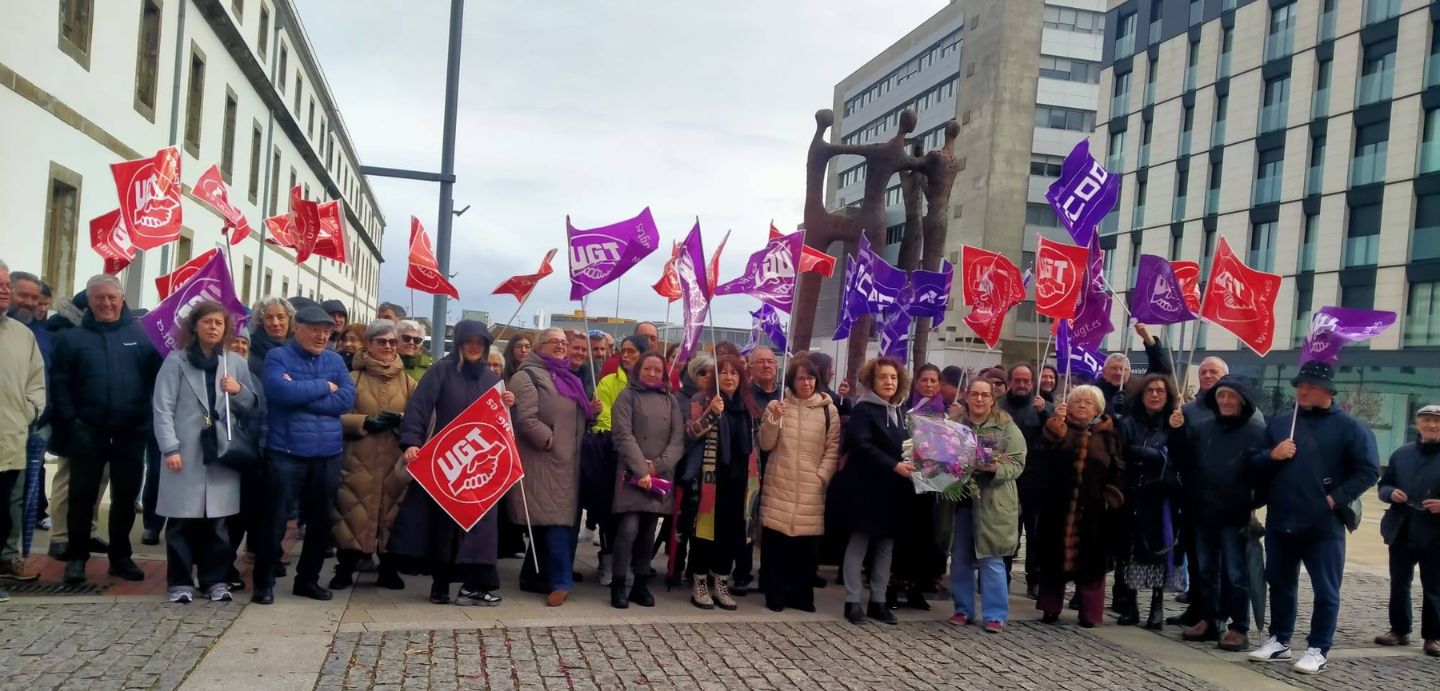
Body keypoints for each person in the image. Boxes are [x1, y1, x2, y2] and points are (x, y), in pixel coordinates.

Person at [1247, 362, 1379, 674]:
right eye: (1300, 385)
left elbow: (1369, 470)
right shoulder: (1281, 423)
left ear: (1328, 391)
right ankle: (1279, 640)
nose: (1303, 390)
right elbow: (1254, 462)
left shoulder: (1351, 428)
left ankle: (1319, 647)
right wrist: (1271, 455)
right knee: (1279, 583)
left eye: (1310, 386)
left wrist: (1336, 498)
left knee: (1325, 589)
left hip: (1323, 525)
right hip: (1281, 520)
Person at [390, 321, 513, 606]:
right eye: (468, 341)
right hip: (446, 463)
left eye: (479, 342)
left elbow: (502, 426)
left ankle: (476, 584)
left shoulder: (491, 379)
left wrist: (508, 403)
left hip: (480, 465)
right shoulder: (440, 371)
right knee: (443, 526)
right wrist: (411, 442)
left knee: (480, 527)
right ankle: (440, 584)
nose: (474, 346)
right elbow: (418, 408)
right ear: (459, 343)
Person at [54, 275, 162, 584]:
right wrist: (71, 420)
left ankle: (120, 557)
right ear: (89, 301)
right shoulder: (72, 338)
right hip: (87, 430)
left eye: (112, 297)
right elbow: (60, 383)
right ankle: (76, 557)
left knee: (125, 499)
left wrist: (147, 417)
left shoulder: (142, 336)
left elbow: (158, 379)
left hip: (131, 432)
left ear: (122, 298)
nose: (106, 303)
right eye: (99, 298)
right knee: (82, 498)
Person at [152, 301, 257, 603]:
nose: (213, 327)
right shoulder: (176, 360)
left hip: (223, 451)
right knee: (182, 521)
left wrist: (237, 390)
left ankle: (215, 580)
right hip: (186, 451)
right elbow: (163, 408)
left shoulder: (234, 362)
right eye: (207, 321)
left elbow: (252, 405)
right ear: (195, 326)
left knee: (218, 525)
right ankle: (180, 583)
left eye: (219, 323)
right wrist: (169, 447)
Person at [254, 304, 356, 604]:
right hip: (285, 451)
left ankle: (307, 580)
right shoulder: (278, 357)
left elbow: (346, 400)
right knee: (275, 520)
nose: (321, 336)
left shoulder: (335, 360)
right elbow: (278, 393)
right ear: (297, 329)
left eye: (326, 331)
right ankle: (264, 583)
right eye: (315, 330)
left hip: (327, 453)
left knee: (321, 522)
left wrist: (301, 394)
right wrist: (324, 386)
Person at [1178, 376, 1265, 651]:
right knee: (1205, 571)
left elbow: (1266, 473)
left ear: (1243, 399)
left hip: (1235, 516)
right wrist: (1176, 431)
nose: (1225, 401)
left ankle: (1239, 627)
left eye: (1230, 396)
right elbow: (1185, 462)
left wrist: (1253, 503)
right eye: (1220, 397)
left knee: (1236, 574)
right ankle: (1210, 619)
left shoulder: (1258, 431)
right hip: (1203, 512)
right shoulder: (1203, 427)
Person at [328, 320, 412, 592]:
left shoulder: (409, 383)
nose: (388, 347)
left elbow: (421, 420)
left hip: (393, 461)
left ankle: (389, 568)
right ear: (369, 345)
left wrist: (400, 419)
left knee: (392, 514)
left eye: (391, 342)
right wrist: (363, 421)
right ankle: (345, 568)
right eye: (381, 341)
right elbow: (334, 416)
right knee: (351, 516)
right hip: (357, 460)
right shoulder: (352, 379)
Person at [508, 328, 589, 607]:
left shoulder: (565, 376)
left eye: (564, 343)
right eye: (555, 342)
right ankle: (560, 581)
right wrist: (551, 441)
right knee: (555, 523)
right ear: (540, 345)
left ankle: (533, 577)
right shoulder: (526, 376)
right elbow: (525, 419)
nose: (561, 346)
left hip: (568, 462)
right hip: (545, 461)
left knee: (555, 521)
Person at [1033, 385, 1124, 627]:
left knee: (1092, 564)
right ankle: (1050, 608)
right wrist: (1054, 430)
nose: (1082, 405)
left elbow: (1118, 468)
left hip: (1095, 510)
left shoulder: (1109, 433)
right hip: (1058, 506)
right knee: (1053, 561)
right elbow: (1041, 457)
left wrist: (1111, 496)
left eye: (1088, 402)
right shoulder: (1058, 427)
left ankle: (1090, 613)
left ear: (1098, 408)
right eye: (1077, 401)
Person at [758, 355, 840, 612]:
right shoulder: (778, 405)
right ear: (791, 380)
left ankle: (801, 595)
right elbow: (765, 444)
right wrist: (773, 418)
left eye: (811, 377)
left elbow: (833, 447)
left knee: (805, 548)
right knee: (777, 544)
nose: (806, 382)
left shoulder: (829, 409)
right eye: (801, 378)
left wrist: (821, 476)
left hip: (810, 486)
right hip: (780, 482)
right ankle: (775, 593)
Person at [838, 357, 912, 625]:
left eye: (893, 377)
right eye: (883, 377)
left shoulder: (902, 412)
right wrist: (893, 466)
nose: (889, 382)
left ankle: (878, 601)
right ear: (872, 380)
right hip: (865, 488)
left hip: (894, 490)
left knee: (885, 547)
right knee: (859, 544)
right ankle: (852, 601)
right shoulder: (863, 409)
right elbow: (861, 445)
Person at [607, 351, 684, 609]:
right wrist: (641, 469)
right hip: (631, 474)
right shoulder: (627, 396)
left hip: (659, 475)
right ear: (638, 370)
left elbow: (677, 440)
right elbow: (622, 434)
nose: (652, 373)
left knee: (649, 532)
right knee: (628, 530)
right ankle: (619, 584)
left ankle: (640, 584)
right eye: (647, 368)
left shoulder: (671, 401)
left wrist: (657, 466)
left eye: (657, 369)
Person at [680, 354, 756, 610]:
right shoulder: (701, 400)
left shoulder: (747, 405)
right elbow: (691, 432)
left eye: (734, 372)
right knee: (705, 532)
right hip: (711, 477)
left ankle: (720, 581)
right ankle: (699, 582)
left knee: (731, 533)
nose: (729, 377)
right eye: (723, 372)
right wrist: (712, 413)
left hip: (740, 479)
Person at [951, 377, 1026, 632]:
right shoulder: (956, 424)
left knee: (991, 558)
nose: (979, 399)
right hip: (961, 499)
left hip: (993, 500)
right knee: (960, 557)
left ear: (993, 399)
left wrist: (994, 466)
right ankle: (963, 609)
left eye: (985, 395)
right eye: (974, 394)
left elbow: (1017, 463)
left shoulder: (1007, 427)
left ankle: (995, 614)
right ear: (967, 396)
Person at [1116, 374, 1187, 629]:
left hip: (1163, 496)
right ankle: (1130, 604)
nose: (1155, 395)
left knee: (1159, 549)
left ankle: (1156, 605)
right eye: (1150, 391)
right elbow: (1122, 451)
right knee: (1131, 549)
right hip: (1133, 492)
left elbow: (1181, 456)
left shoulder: (1175, 422)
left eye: (1160, 391)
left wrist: (1156, 450)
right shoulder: (1128, 423)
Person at [1375, 404, 1440, 657]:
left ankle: (1433, 636)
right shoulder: (1402, 454)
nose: (1432, 425)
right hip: (1402, 528)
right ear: (1418, 422)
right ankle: (1399, 629)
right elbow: (1384, 485)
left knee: (1434, 587)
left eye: (1436, 421)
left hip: (1436, 533)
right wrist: (1391, 493)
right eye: (1426, 420)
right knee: (1399, 584)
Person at [0, 262, 46, 599]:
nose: (4, 291)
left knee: (3, 515)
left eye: (5, 285)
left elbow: (36, 384)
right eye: (2, 286)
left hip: (9, 441)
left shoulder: (21, 335)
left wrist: (26, 412)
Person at [589, 335, 647, 586]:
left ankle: (632, 561)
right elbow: (604, 420)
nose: (626, 356)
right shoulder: (608, 382)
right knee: (608, 511)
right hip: (612, 453)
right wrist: (627, 442)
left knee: (635, 515)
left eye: (632, 352)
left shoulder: (652, 385)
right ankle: (608, 560)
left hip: (642, 458)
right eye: (623, 351)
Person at [889, 364, 947, 610]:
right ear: (916, 382)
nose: (929, 385)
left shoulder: (945, 412)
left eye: (934, 381)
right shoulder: (903, 408)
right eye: (925, 380)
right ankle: (892, 590)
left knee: (924, 539)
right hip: (904, 481)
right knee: (901, 538)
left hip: (930, 483)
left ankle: (916, 591)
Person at [1000, 364, 1050, 598]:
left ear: (1032, 383)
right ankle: (1003, 577)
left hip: (1035, 482)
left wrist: (1046, 414)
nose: (1021, 384)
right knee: (1007, 532)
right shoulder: (998, 406)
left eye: (1026, 381)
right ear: (1010, 381)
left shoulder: (1042, 407)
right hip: (1006, 481)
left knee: (1036, 534)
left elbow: (1057, 436)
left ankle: (1035, 580)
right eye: (1017, 380)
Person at [565, 329, 597, 400]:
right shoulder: (556, 374)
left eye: (584, 350)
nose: (580, 353)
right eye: (576, 348)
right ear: (565, 348)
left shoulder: (590, 376)